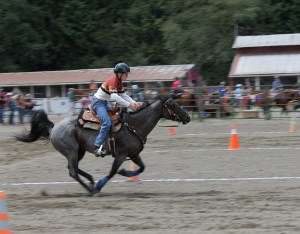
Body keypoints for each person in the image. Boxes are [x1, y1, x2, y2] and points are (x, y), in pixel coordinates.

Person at [92, 62, 143, 157]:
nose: (127, 75)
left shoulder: (119, 82)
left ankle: (111, 143)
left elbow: (124, 95)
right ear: (119, 73)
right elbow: (114, 97)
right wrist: (129, 105)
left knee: (117, 119)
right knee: (107, 122)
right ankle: (96, 146)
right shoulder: (113, 81)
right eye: (126, 73)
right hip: (98, 103)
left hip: (104, 103)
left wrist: (135, 103)